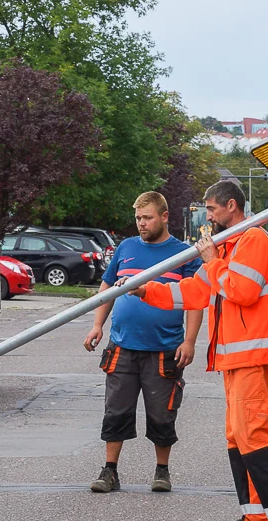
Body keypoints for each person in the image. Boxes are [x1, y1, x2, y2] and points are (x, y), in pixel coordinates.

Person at [125, 180, 268, 521]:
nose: (206, 217)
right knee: (237, 438)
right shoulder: (228, 247)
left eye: (210, 209)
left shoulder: (253, 240)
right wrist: (147, 289)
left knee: (253, 436)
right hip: (234, 359)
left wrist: (212, 260)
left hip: (253, 357)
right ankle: (256, 517)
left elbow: (243, 290)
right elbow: (192, 293)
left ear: (231, 207)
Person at [84, 191, 203, 494]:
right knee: (116, 410)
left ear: (164, 217)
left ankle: (162, 472)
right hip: (123, 346)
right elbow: (107, 286)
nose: (141, 223)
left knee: (162, 414)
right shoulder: (126, 248)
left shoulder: (183, 254)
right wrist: (97, 325)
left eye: (147, 217)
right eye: (138, 218)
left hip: (164, 348)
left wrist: (189, 341)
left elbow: (194, 300)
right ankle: (110, 471)